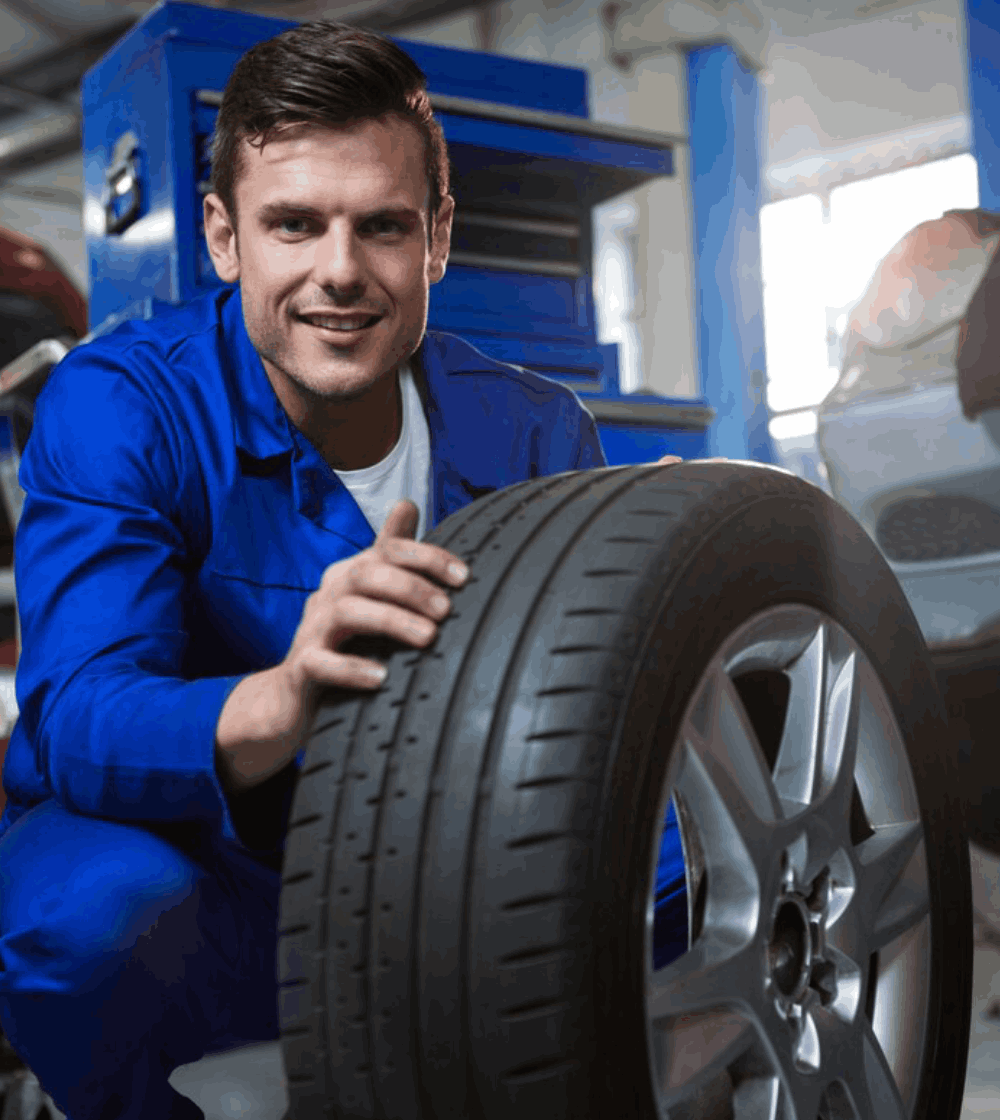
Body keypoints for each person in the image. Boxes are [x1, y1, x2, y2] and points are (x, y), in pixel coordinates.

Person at [0, 21, 611, 1120]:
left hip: (441, 862)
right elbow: (79, 717)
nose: (340, 272)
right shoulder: (121, 404)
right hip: (214, 877)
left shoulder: (534, 432)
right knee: (84, 917)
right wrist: (283, 698)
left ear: (437, 237)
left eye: (382, 226)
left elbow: (594, 730)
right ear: (226, 238)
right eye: (295, 225)